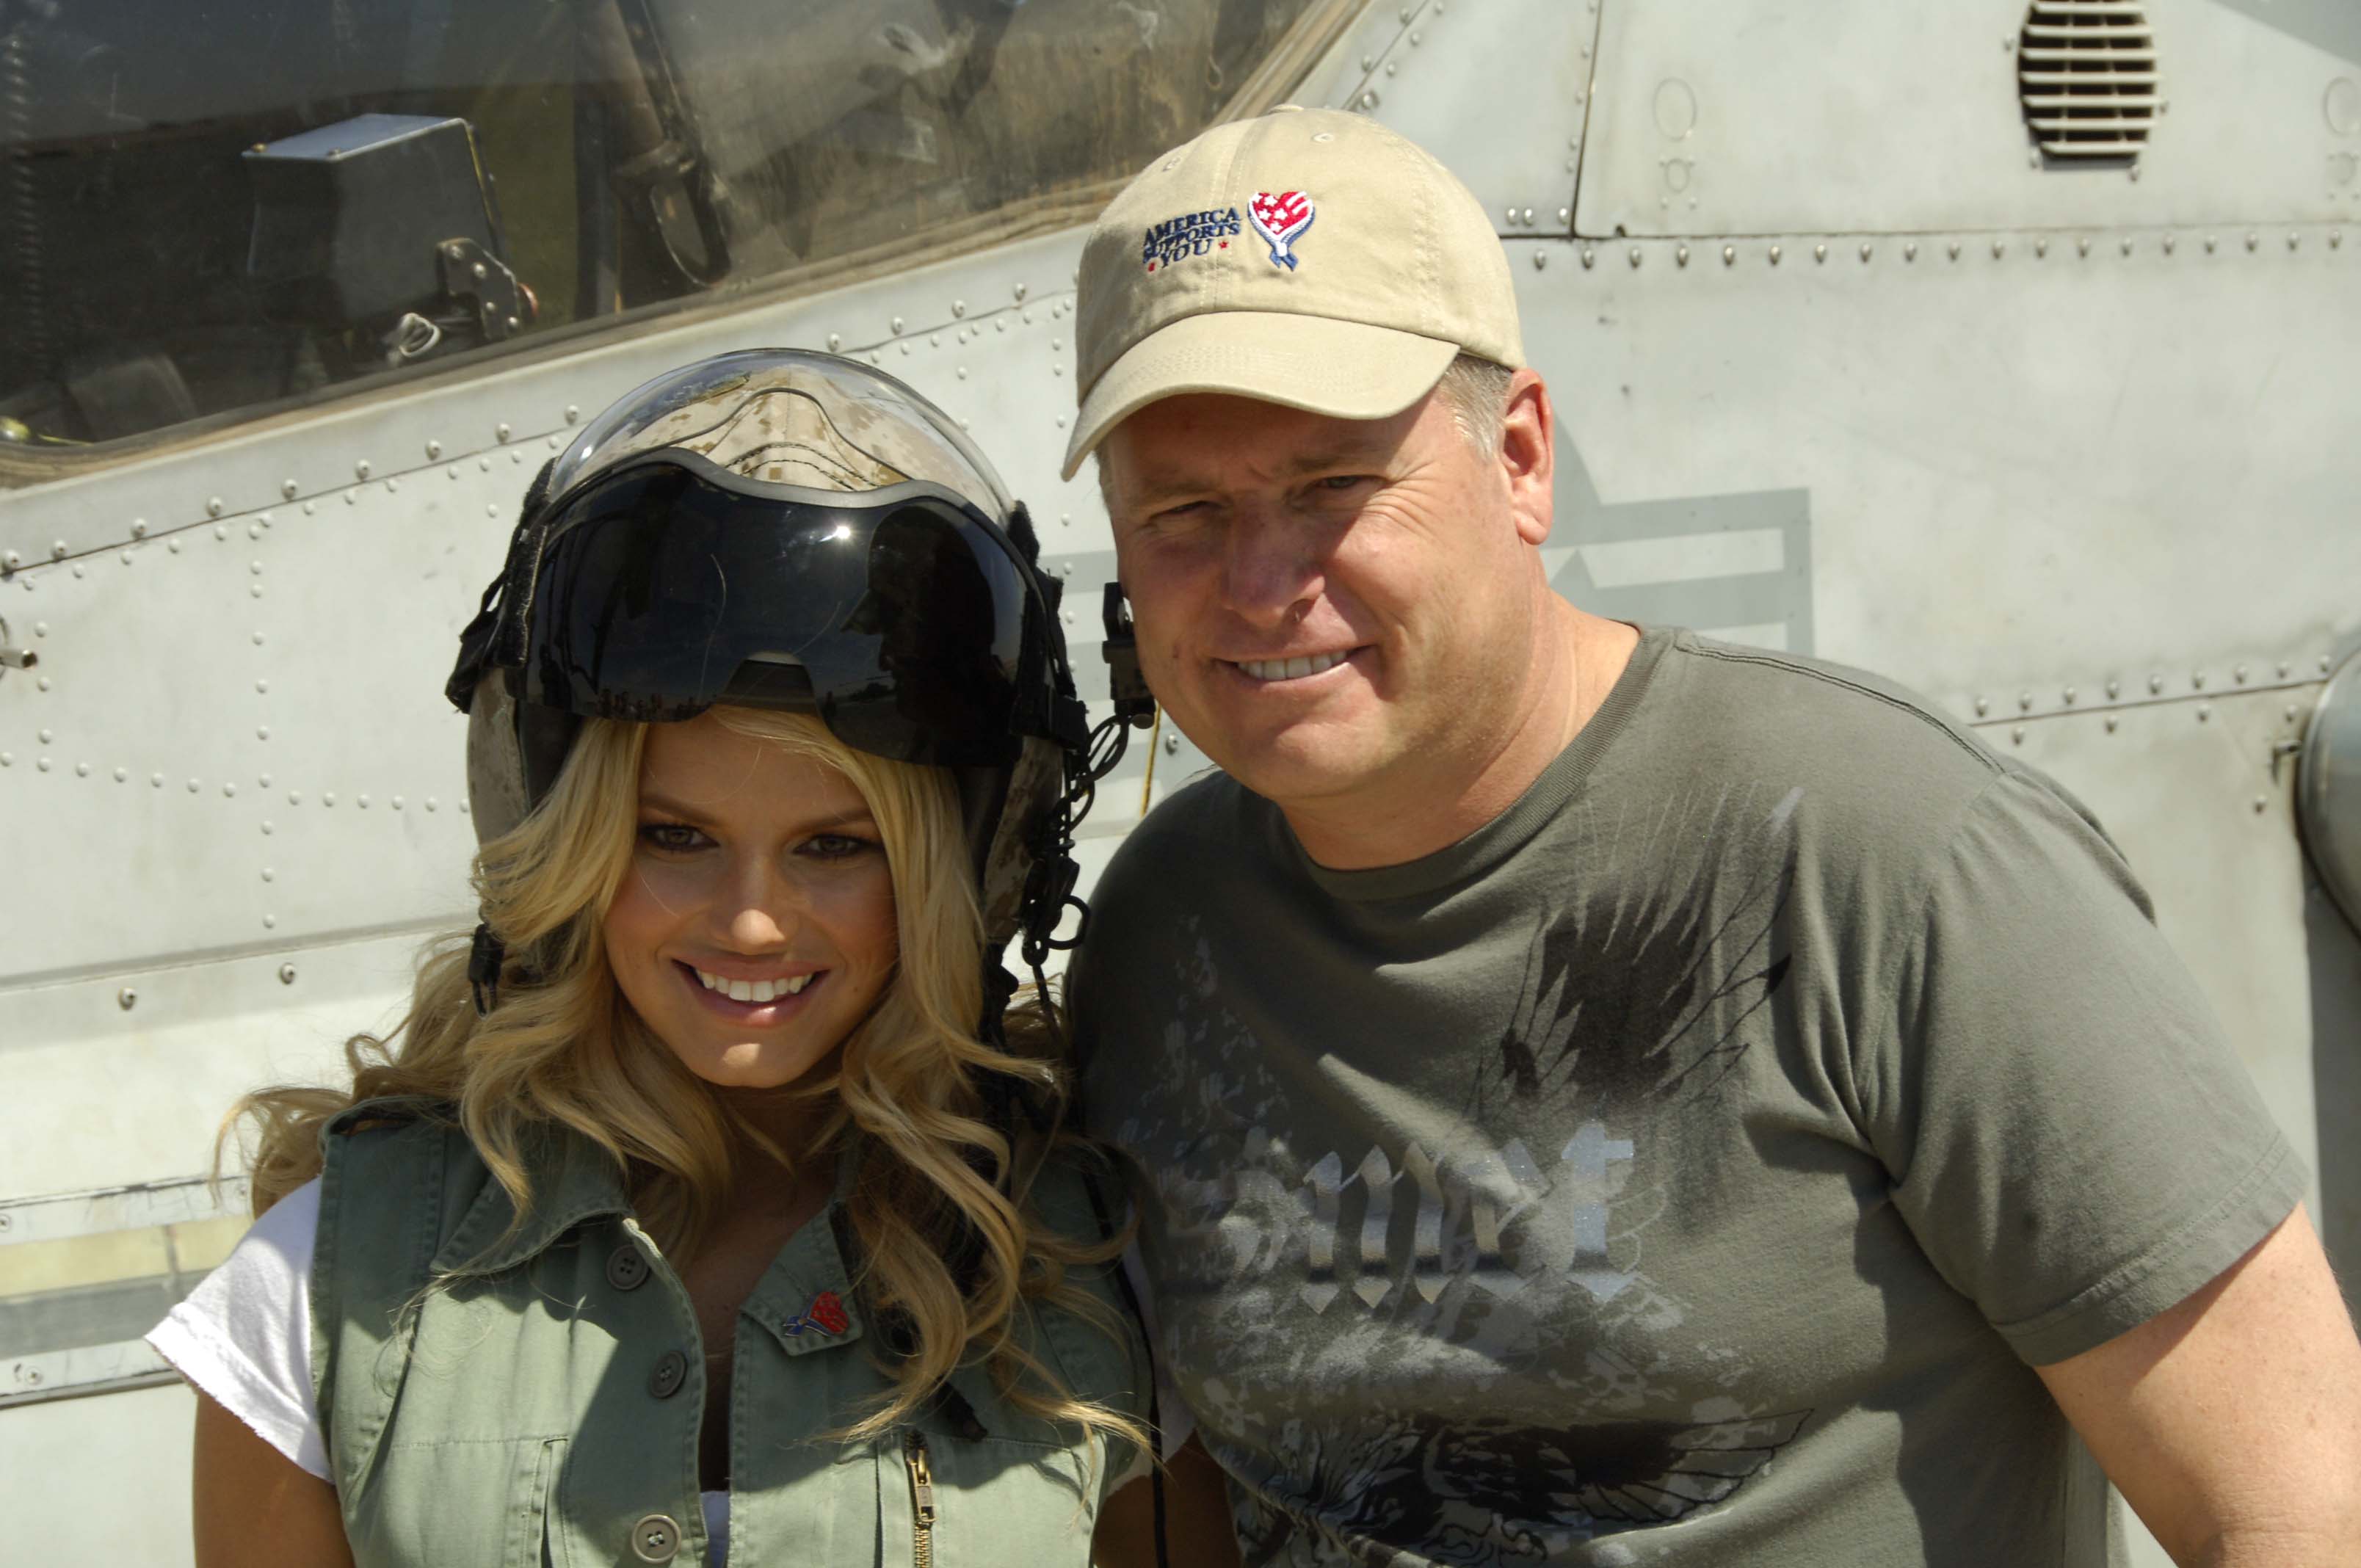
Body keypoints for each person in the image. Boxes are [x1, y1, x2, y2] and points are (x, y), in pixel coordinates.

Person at [1059, 106, 2361, 1566]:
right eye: (1182, 513)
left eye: (1333, 489)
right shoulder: (1161, 933)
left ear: (1521, 459)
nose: (1260, 582)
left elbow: (2297, 1512)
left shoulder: (1890, 862)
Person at [145, 351, 1224, 1568]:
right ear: (566, 841)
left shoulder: (1088, 1269)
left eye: (835, 846)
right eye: (673, 837)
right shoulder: (321, 1293)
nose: (752, 924)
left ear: (954, 873)